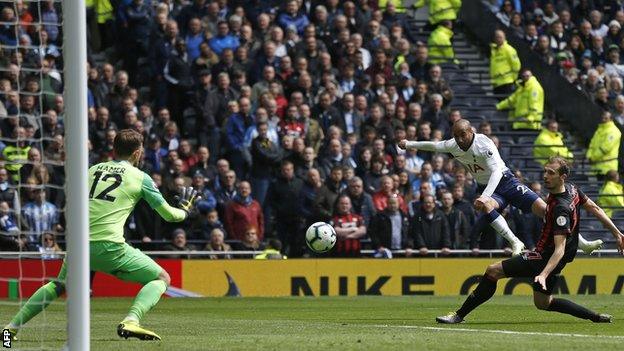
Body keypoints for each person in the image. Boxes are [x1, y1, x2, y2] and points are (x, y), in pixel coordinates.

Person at [4, 129, 198, 341]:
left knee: (58, 284)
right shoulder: (141, 177)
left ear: (114, 150)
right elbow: (170, 216)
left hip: (79, 244)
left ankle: (9, 329)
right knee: (161, 278)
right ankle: (132, 320)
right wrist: (186, 209)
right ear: (137, 153)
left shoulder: (92, 169)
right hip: (109, 246)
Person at [436, 157, 624, 324]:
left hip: (544, 258)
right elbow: (595, 208)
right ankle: (595, 317)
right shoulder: (572, 190)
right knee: (544, 303)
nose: (545, 176)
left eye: (551, 173)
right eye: (545, 171)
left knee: (493, 271)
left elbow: (559, 249)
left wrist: (543, 274)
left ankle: (458, 315)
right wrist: (617, 234)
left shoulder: (560, 208)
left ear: (562, 176)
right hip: (556, 259)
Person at [398, 119, 603, 255]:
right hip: (489, 188)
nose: (459, 139)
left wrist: (485, 195)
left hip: (506, 181)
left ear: (471, 131)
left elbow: (496, 172)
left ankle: (582, 243)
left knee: (546, 210)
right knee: (487, 208)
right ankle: (515, 242)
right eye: (456, 135)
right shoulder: (453, 145)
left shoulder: (484, 144)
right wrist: (409, 144)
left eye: (463, 134)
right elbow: (434, 146)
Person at [587, 111, 621, 176]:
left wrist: (592, 158)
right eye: (602, 118)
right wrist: (589, 156)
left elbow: (605, 148)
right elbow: (592, 144)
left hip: (608, 168)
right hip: (597, 166)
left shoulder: (614, 131)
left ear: (611, 119)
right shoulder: (599, 129)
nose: (603, 119)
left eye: (606, 118)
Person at [490, 30, 521, 97]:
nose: (499, 39)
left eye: (501, 37)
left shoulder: (509, 50)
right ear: (494, 39)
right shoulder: (494, 51)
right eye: (497, 37)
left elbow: (516, 65)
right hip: (496, 83)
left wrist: (513, 78)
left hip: (507, 82)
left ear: (504, 38)